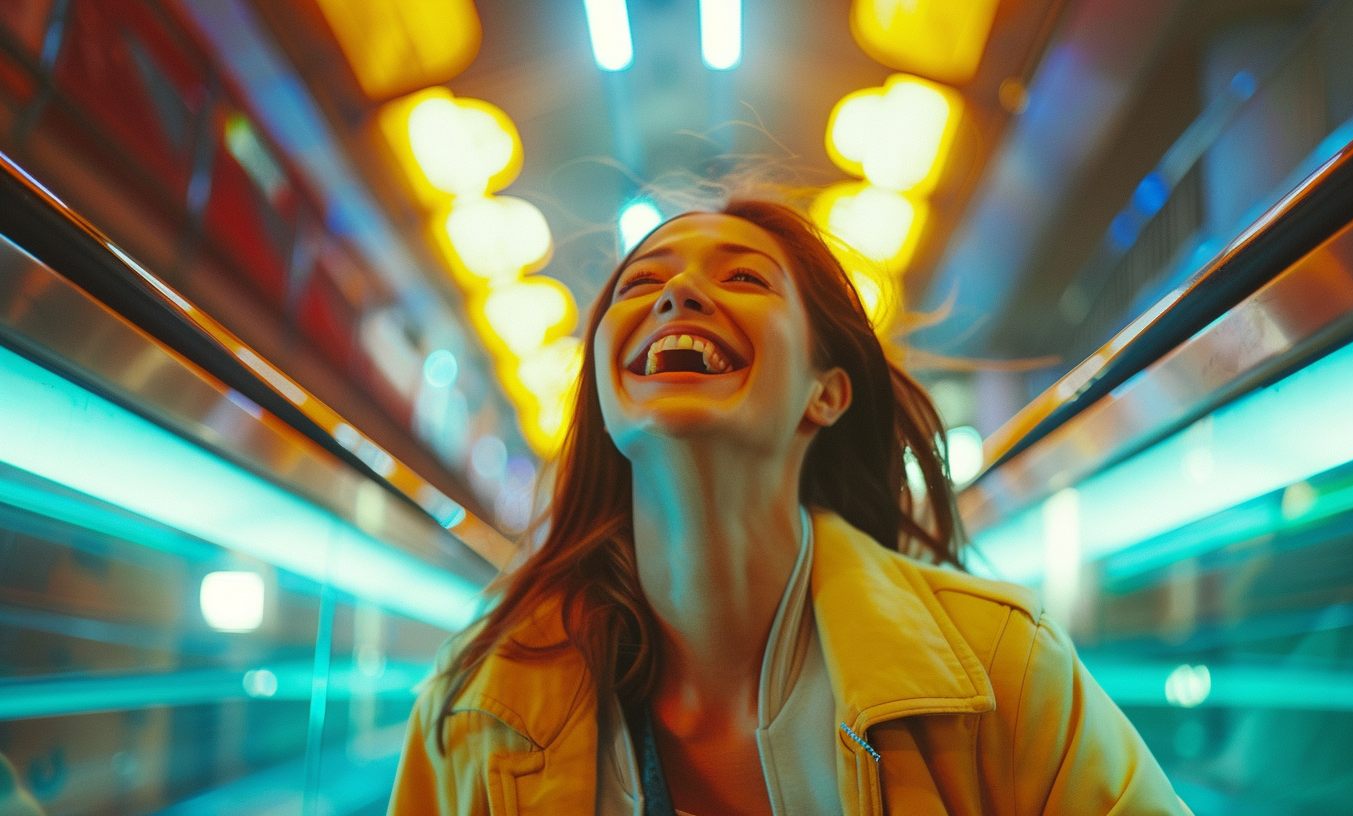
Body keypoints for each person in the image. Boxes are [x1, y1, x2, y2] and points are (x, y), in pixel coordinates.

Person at [387, 200, 1191, 815]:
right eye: (641, 283)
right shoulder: (473, 707)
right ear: (602, 391)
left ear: (827, 393)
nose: (679, 295)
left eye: (742, 277)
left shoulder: (1003, 673)